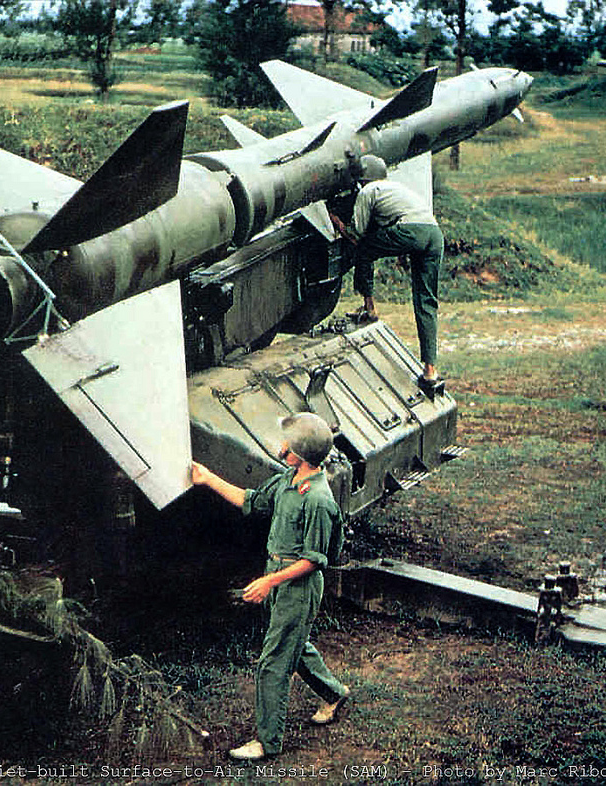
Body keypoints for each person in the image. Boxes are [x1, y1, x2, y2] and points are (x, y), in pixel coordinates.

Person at [191, 412, 350, 761]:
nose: (281, 448)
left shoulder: (318, 500)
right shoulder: (288, 480)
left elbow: (313, 560)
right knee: (294, 645)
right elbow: (252, 501)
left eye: (288, 445)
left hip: (298, 585)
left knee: (273, 662)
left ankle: (267, 741)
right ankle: (334, 692)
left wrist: (268, 581)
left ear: (302, 454)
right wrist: (208, 479)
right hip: (279, 577)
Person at [330, 154, 445, 394]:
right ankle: (430, 371)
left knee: (363, 249)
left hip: (410, 230)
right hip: (434, 235)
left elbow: (356, 234)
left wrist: (335, 220)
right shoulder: (395, 188)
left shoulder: (367, 191)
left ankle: (369, 308)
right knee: (426, 302)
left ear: (362, 178)